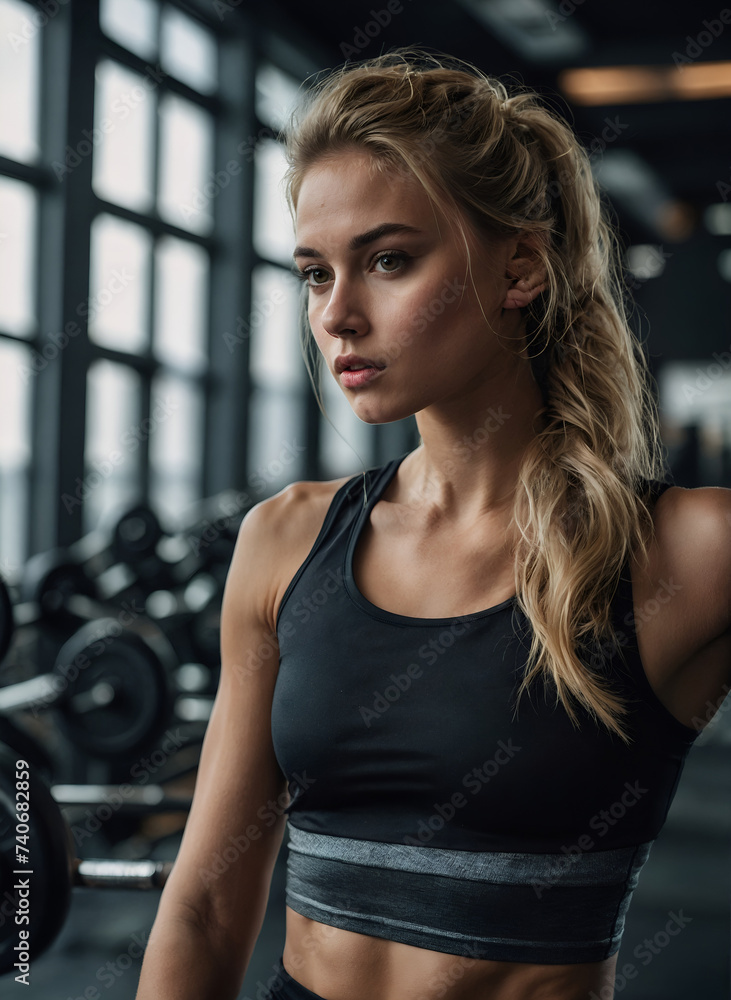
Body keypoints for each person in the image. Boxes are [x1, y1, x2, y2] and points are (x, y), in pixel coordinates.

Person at [135, 48, 731, 1000]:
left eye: (387, 261)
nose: (337, 314)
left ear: (520, 269)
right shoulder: (286, 541)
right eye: (313, 273)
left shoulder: (687, 552)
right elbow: (203, 908)